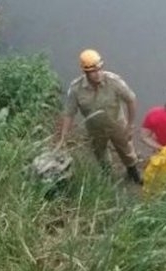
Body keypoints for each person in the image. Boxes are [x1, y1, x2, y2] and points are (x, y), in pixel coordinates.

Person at [57, 49, 141, 184]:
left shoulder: (113, 82)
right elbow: (69, 113)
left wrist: (130, 125)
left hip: (117, 124)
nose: (98, 74)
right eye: (93, 71)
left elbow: (131, 100)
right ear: (85, 72)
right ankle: (108, 177)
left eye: (100, 69)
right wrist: (64, 136)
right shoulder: (76, 89)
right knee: (100, 153)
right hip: (94, 129)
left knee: (126, 150)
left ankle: (133, 173)